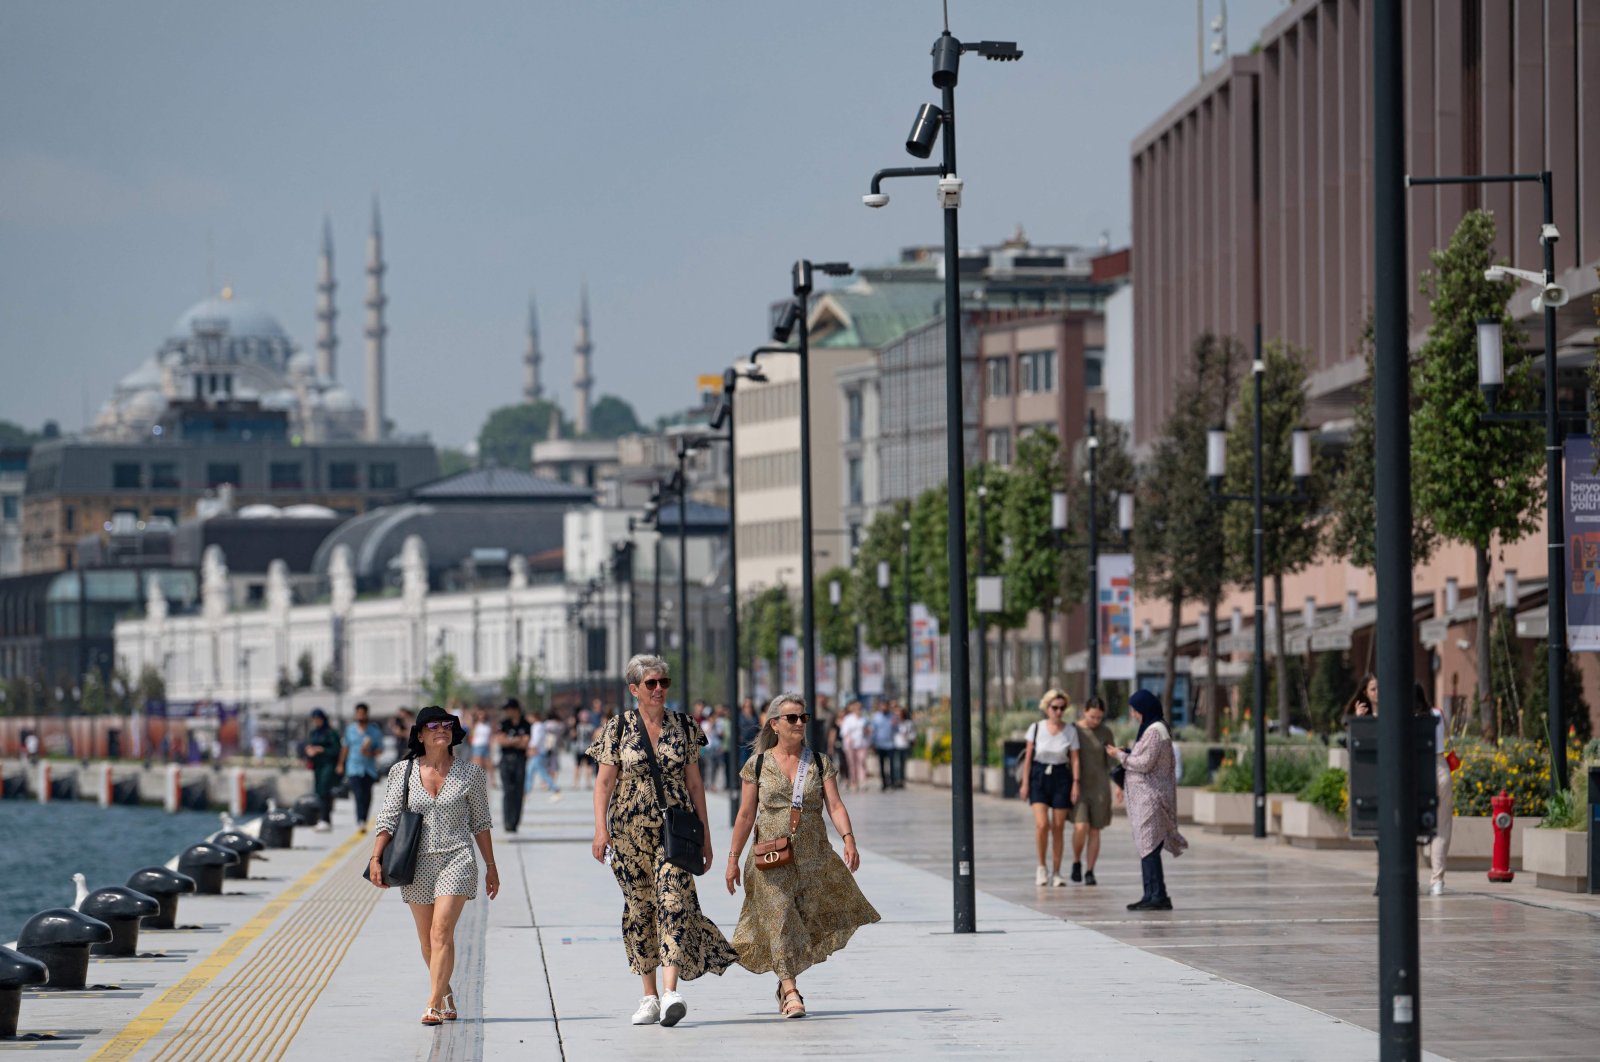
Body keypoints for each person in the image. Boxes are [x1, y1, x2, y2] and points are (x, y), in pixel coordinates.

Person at [588, 655, 735, 1028]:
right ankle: (648, 996)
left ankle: (671, 992)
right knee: (641, 909)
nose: (659, 690)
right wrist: (600, 829)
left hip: (676, 832)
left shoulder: (684, 726)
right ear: (634, 689)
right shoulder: (618, 727)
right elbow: (604, 783)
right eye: (651, 684)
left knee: (672, 902)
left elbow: (695, 783)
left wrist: (706, 835)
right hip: (626, 833)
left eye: (664, 683)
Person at [726, 692, 880, 1019]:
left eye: (803, 718)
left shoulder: (819, 762)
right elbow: (745, 814)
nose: (799, 724)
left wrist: (849, 839)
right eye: (792, 718)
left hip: (812, 857)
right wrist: (732, 858)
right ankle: (791, 989)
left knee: (804, 921)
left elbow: (835, 805)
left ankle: (784, 985)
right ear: (775, 725)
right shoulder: (757, 765)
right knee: (779, 916)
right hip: (770, 858)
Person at [368, 705, 498, 1025]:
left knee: (442, 931)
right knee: (428, 940)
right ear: (421, 734)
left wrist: (491, 866)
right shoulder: (403, 772)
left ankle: (432, 1003)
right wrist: (375, 858)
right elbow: (387, 818)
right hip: (416, 863)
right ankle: (446, 992)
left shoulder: (471, 774)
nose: (442, 729)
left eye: (447, 725)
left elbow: (481, 823)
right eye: (434, 725)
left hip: (458, 858)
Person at [1106, 689, 1188, 911]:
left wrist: (1120, 756)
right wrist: (1129, 752)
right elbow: (1144, 757)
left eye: (1135, 710)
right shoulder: (1153, 730)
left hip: (1151, 798)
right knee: (1146, 846)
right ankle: (1151, 893)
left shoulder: (1155, 730)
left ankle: (1157, 896)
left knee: (1150, 847)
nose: (1133, 715)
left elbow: (1145, 763)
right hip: (1146, 798)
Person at [1020, 689, 1081, 887]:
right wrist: (1025, 783)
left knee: (1058, 826)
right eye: (1055, 707)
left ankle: (1056, 871)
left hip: (1061, 776)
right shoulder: (1036, 728)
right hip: (1039, 775)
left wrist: (1075, 783)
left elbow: (1075, 758)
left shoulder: (1070, 730)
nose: (1058, 712)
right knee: (1042, 825)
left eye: (1062, 708)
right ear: (1047, 708)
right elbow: (1028, 757)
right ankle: (1041, 867)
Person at [1071, 696, 1115, 886]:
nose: (1095, 721)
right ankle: (1076, 860)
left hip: (1100, 788)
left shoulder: (1106, 732)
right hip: (1079, 787)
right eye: (1092, 717)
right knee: (1081, 827)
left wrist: (1119, 786)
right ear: (1084, 712)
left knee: (1095, 830)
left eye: (1099, 718)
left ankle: (1090, 871)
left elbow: (1111, 762)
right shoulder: (1073, 730)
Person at [1420, 682, 1453, 896]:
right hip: (1441, 767)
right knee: (1442, 826)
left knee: (1406, 826)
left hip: (1417, 768)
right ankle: (1437, 881)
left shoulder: (1406, 718)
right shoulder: (1438, 713)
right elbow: (1448, 735)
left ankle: (1407, 878)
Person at [340, 702, 385, 832]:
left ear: (366, 714)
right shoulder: (350, 730)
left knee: (367, 795)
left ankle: (364, 818)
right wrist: (340, 764)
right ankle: (360, 820)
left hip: (369, 768)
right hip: (353, 767)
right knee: (358, 794)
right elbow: (345, 747)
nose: (360, 716)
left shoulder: (374, 731)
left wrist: (370, 752)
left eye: (362, 713)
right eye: (358, 713)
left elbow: (380, 749)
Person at [496, 700, 532, 832]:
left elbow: (525, 743)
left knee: (518, 791)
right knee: (507, 791)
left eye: (508, 709)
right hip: (506, 760)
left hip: (520, 760)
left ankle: (515, 822)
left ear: (515, 709)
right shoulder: (504, 724)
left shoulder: (526, 724)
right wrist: (517, 740)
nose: (506, 712)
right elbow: (501, 741)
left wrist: (510, 740)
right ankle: (507, 822)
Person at [303, 708, 342, 832]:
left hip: (328, 765)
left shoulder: (331, 733)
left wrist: (322, 749)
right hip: (317, 766)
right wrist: (310, 751)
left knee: (325, 790)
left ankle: (325, 819)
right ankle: (324, 819)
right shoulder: (314, 733)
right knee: (319, 791)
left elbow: (337, 750)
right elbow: (310, 745)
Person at [526, 712, 563, 802]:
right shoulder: (541, 725)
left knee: (539, 773)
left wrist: (531, 749)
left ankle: (555, 788)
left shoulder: (537, 726)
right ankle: (525, 792)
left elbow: (536, 739)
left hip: (537, 752)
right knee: (532, 772)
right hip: (540, 751)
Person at [838, 702, 868, 793]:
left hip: (861, 744)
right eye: (857, 708)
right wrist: (848, 738)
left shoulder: (864, 719)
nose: (859, 710)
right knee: (852, 764)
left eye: (860, 708)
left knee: (861, 762)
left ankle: (862, 782)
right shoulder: (848, 719)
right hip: (850, 745)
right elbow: (844, 732)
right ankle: (853, 782)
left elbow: (867, 730)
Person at [870, 701, 896, 790]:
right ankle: (884, 783)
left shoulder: (892, 716)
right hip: (880, 744)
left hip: (890, 744)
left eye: (885, 706)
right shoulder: (876, 717)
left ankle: (892, 782)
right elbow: (873, 730)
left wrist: (895, 725)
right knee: (881, 765)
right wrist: (872, 742)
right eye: (882, 706)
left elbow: (897, 729)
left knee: (892, 764)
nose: (884, 708)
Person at [892, 706, 916, 789]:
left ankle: (901, 780)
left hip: (904, 746)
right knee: (896, 764)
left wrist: (908, 737)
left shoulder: (908, 723)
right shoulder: (895, 723)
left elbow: (912, 734)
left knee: (902, 764)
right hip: (895, 745)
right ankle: (896, 780)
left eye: (900, 713)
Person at [468, 707, 494, 778]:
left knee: (489, 765)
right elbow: (470, 734)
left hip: (486, 746)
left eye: (483, 714)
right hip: (477, 746)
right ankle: (476, 781)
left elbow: (490, 736)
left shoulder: (488, 724)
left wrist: (491, 746)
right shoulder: (475, 724)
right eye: (480, 714)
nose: (482, 716)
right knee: (478, 766)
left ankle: (492, 781)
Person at [737, 698, 762, 767]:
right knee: (743, 762)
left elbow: (758, 728)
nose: (748, 708)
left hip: (753, 743)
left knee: (752, 763)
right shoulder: (740, 716)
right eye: (747, 706)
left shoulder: (755, 716)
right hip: (743, 743)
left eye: (750, 706)